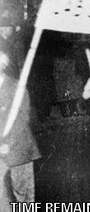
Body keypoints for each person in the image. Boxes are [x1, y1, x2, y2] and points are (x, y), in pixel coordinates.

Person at [0, 48, 41, 204]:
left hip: (17, 148)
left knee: (24, 196)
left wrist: (6, 144)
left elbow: (22, 119)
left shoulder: (16, 87)